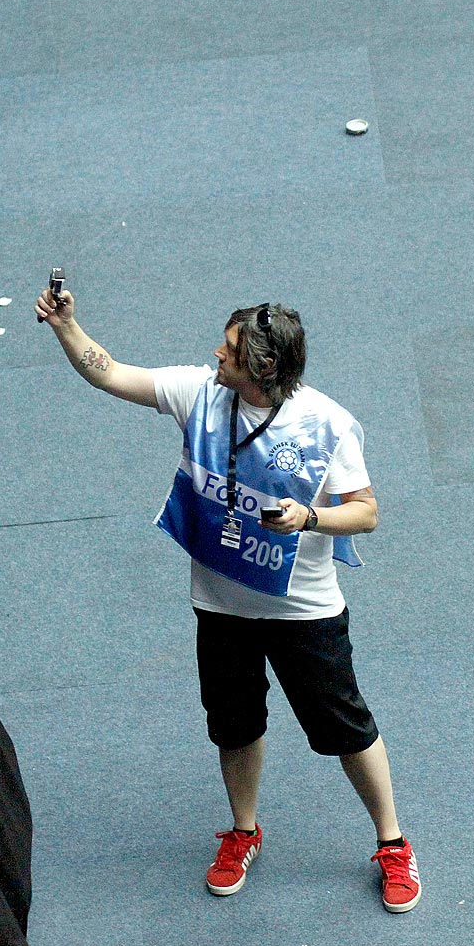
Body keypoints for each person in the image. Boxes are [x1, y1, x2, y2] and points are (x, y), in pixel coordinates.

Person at [35, 289, 420, 913]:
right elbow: (110, 374)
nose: (217, 353)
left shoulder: (327, 425)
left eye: (231, 351)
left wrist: (309, 518)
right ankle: (243, 830)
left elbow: (367, 513)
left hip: (303, 610)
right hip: (220, 607)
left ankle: (392, 841)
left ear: (263, 370)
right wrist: (67, 327)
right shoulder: (200, 393)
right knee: (234, 726)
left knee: (346, 728)